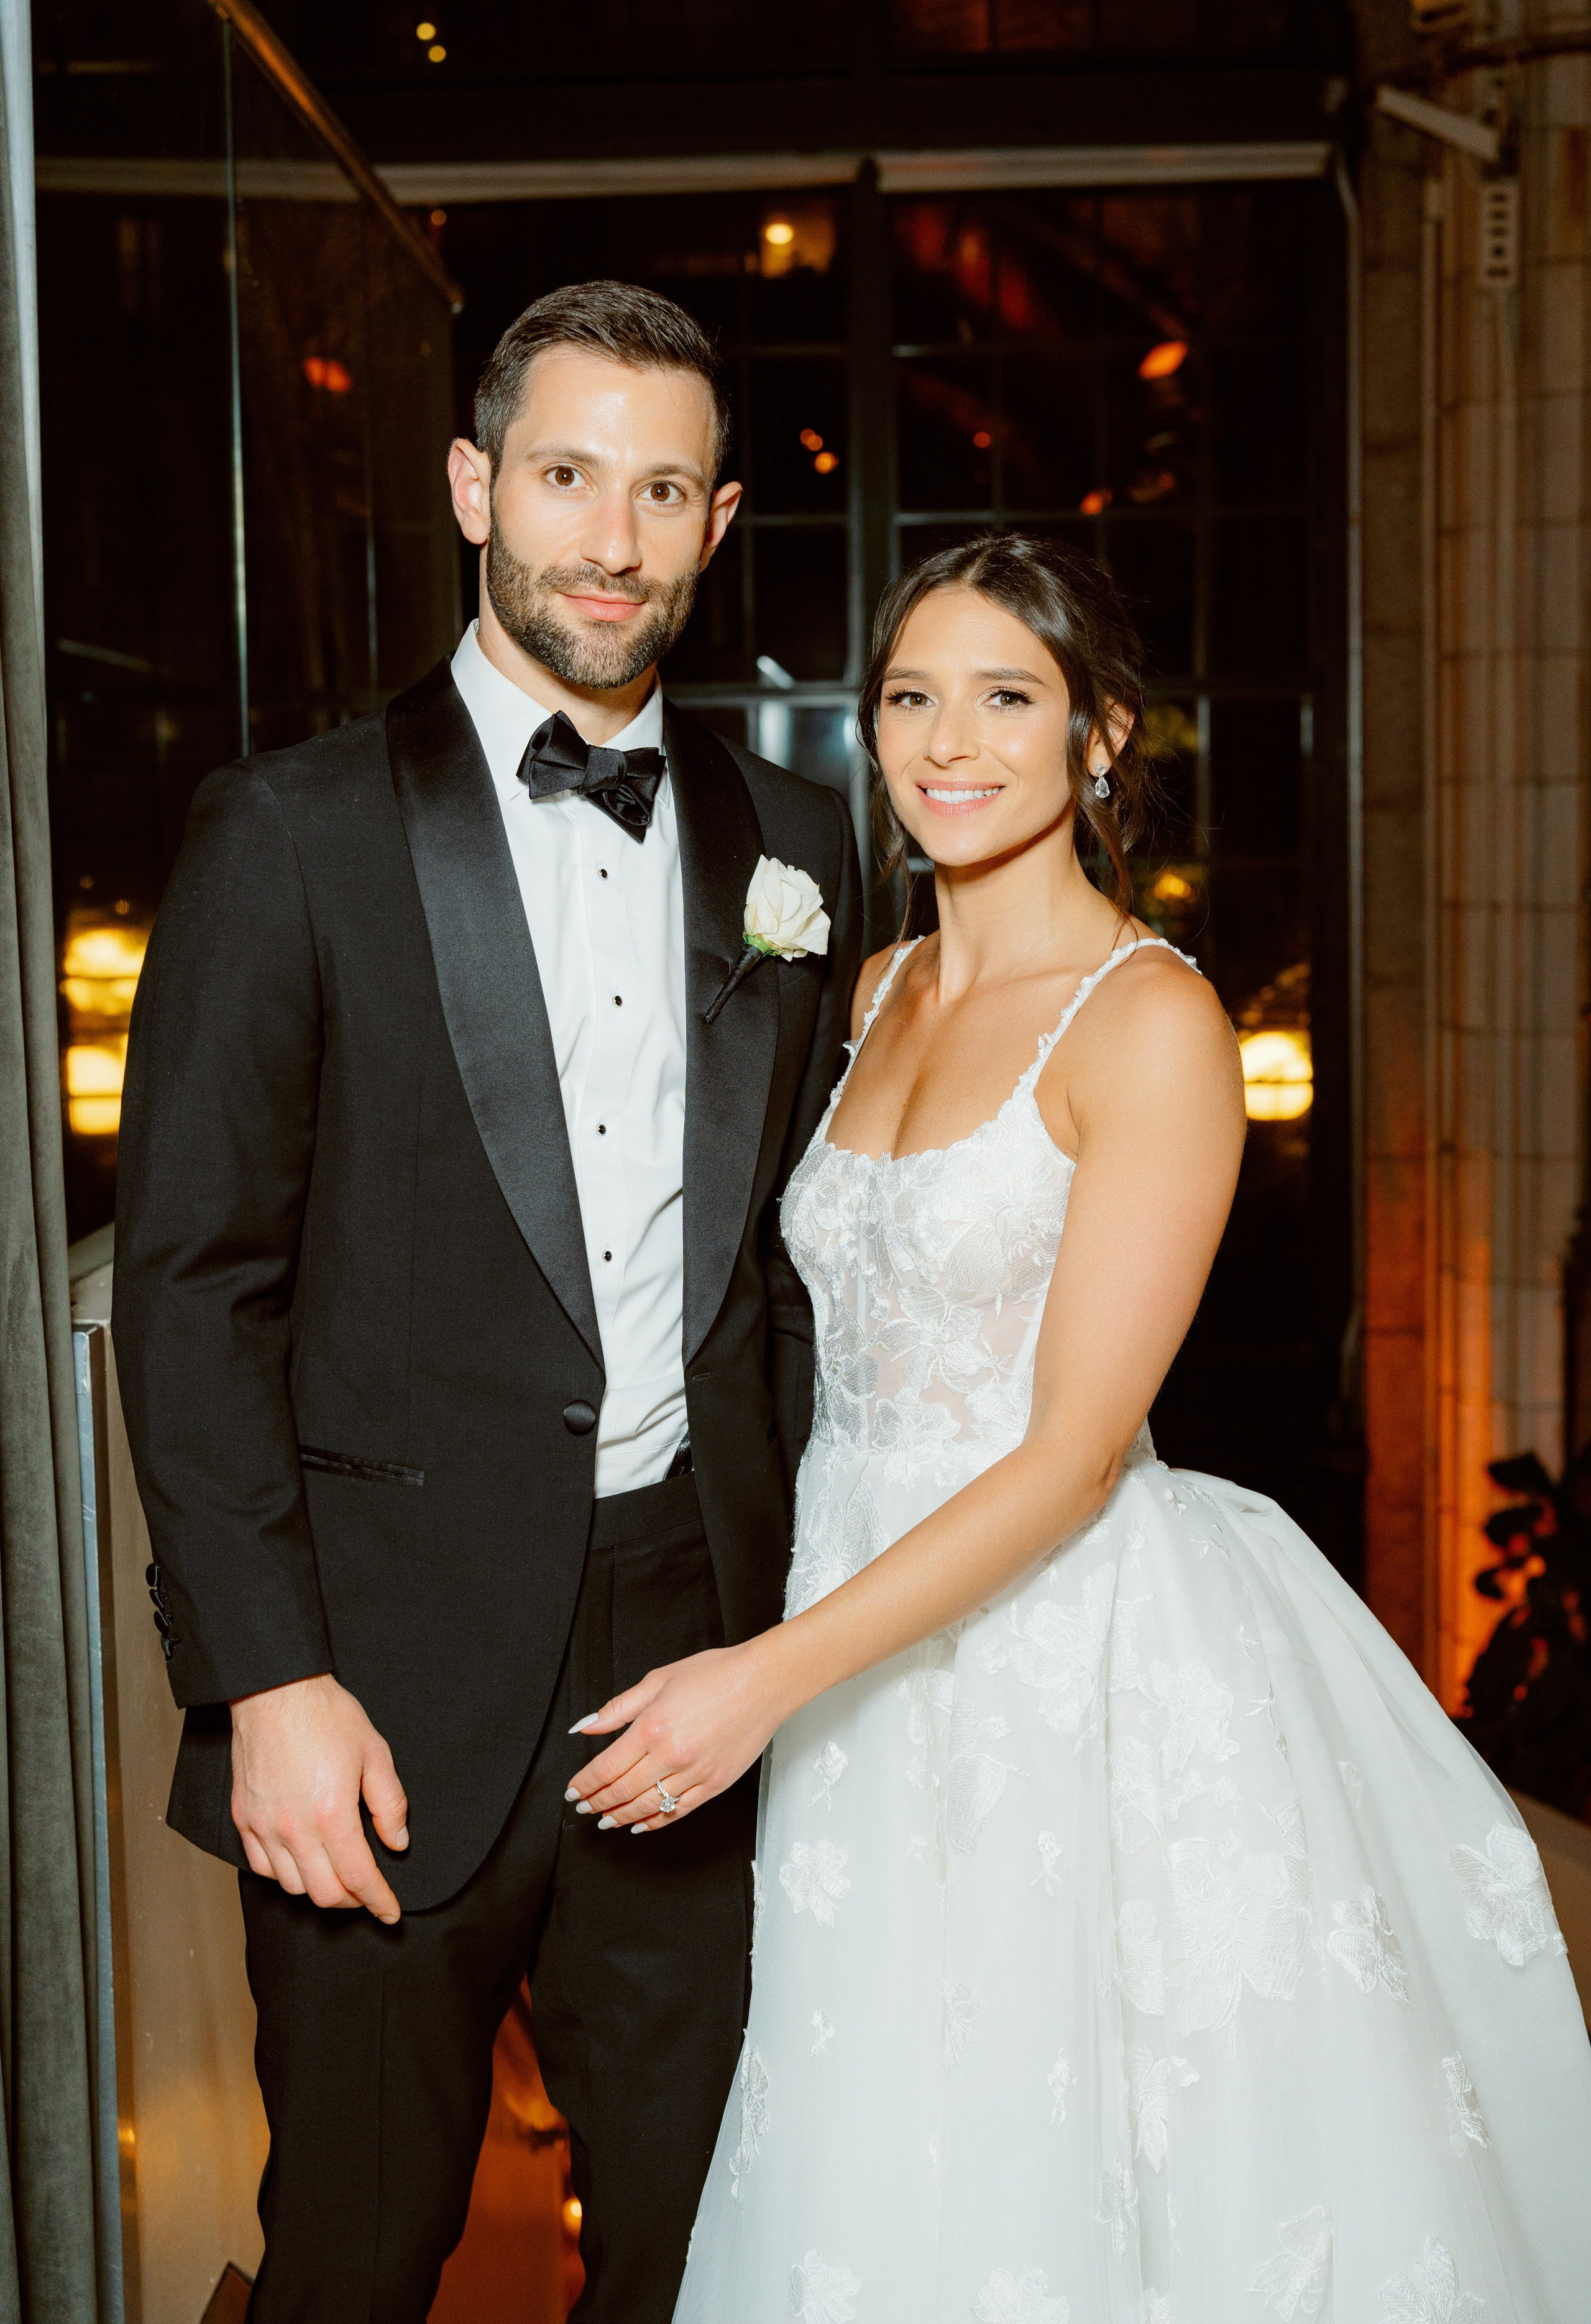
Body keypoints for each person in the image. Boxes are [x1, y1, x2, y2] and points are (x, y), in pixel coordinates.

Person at [565, 533, 1591, 2324]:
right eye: (910, 697)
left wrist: (764, 1676)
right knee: (882, 2146)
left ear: (1100, 735)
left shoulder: (1156, 1023)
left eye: (1006, 697)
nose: (947, 741)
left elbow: (1064, 1457)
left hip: (1062, 1671)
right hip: (856, 1673)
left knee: (1072, 2160)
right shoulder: (873, 990)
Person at [112, 280, 861, 2322]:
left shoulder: (796, 852)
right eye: (563, 477)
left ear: (715, 526)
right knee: (358, 2261)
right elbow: (195, 1288)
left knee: (706, 2258)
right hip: (375, 1685)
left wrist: (795, 1642)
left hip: (690, 1679)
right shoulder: (288, 834)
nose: (608, 541)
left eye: (661, 490)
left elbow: (793, 1279)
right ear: (473, 487)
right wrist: (264, 1680)